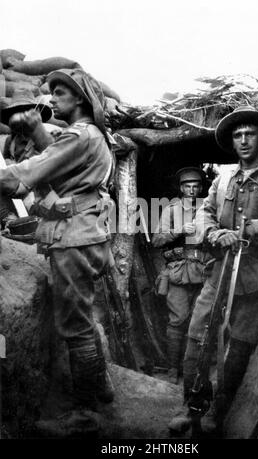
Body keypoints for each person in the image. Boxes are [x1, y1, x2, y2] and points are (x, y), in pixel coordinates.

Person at [0, 68, 116, 436]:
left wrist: (16, 176)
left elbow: (25, 175)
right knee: (84, 315)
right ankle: (99, 387)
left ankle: (85, 414)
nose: (51, 99)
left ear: (80, 99)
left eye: (59, 93)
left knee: (75, 325)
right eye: (49, 93)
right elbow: (59, 184)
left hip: (74, 238)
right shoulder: (90, 135)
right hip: (87, 233)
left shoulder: (79, 136)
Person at [169, 105, 258, 434]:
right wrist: (213, 233)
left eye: (249, 134)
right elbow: (204, 214)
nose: (243, 140)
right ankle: (193, 407)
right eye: (237, 135)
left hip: (256, 277)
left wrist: (244, 230)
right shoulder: (222, 177)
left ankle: (218, 413)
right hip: (218, 271)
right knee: (198, 336)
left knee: (237, 345)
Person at [152, 167, 212, 384]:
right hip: (178, 272)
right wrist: (179, 230)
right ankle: (172, 369)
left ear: (201, 187)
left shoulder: (208, 206)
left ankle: (194, 371)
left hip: (204, 270)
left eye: (196, 186)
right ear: (180, 188)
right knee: (177, 320)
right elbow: (156, 240)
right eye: (187, 186)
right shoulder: (171, 209)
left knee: (201, 321)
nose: (192, 190)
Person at [0, 89, 53, 225]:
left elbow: (52, 160)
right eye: (16, 114)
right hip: (15, 185)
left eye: (24, 113)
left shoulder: (43, 136)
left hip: (38, 188)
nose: (20, 118)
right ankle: (9, 219)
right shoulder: (10, 141)